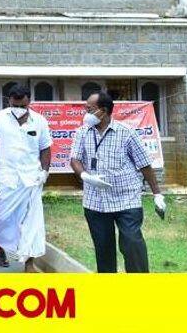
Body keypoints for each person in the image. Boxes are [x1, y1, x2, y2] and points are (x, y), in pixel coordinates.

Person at [70, 91, 167, 273]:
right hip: (95, 201)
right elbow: (74, 159)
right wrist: (85, 176)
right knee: (103, 249)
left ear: (103, 111)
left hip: (126, 199)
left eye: (89, 110)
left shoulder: (126, 133)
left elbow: (144, 164)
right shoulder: (82, 133)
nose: (85, 113)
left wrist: (157, 194)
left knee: (132, 243)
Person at [0, 85, 52, 272]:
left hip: (32, 179)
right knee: (4, 219)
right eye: (14, 105)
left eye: (21, 105)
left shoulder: (39, 121)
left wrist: (44, 171)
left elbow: (45, 148)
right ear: (9, 101)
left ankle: (29, 262)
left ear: (29, 101)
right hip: (7, 177)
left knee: (32, 221)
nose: (18, 109)